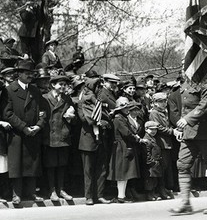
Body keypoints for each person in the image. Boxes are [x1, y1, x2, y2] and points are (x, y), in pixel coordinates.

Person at [169, 75, 207, 215]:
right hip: (189, 133)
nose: (184, 67)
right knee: (182, 165)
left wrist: (187, 119)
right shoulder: (185, 84)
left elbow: (204, 105)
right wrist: (182, 126)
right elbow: (182, 107)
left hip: (205, 132)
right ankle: (185, 203)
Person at [1, 59, 47, 205]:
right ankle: (16, 194)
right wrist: (23, 127)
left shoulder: (35, 90)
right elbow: (7, 113)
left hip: (33, 133)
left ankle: (32, 192)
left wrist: (39, 126)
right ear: (19, 74)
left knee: (32, 164)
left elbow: (43, 111)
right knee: (17, 165)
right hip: (17, 134)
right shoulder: (9, 90)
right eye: (27, 73)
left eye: (31, 73)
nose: (30, 76)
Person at [77, 77, 113, 205]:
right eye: (97, 87)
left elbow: (107, 115)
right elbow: (84, 119)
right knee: (88, 170)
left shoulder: (99, 102)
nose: (99, 89)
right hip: (88, 138)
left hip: (101, 138)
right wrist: (99, 121)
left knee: (102, 168)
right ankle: (89, 196)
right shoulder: (82, 103)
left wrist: (105, 120)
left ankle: (100, 194)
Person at [42, 74, 76, 201]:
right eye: (60, 84)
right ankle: (52, 191)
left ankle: (61, 189)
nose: (63, 87)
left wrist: (71, 118)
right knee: (50, 165)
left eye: (64, 85)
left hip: (63, 136)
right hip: (49, 137)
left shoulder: (67, 99)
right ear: (52, 85)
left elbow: (75, 119)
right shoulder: (44, 98)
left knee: (62, 165)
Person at [108, 97, 142, 203]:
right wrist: (136, 138)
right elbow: (126, 132)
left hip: (123, 145)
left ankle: (121, 195)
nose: (128, 109)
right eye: (126, 107)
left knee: (124, 173)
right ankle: (121, 196)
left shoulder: (122, 117)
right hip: (121, 146)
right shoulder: (119, 118)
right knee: (122, 173)